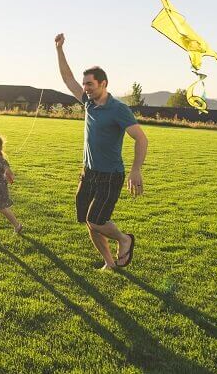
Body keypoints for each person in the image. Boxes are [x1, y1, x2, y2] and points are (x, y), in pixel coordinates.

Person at [54, 33, 148, 270]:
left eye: (90, 84)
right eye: (85, 84)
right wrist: (59, 49)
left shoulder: (118, 110)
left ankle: (125, 239)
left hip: (110, 175)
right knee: (90, 222)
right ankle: (109, 263)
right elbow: (67, 79)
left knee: (96, 220)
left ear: (103, 84)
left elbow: (141, 138)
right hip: (88, 173)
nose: (85, 88)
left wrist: (136, 170)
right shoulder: (88, 102)